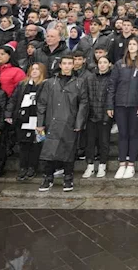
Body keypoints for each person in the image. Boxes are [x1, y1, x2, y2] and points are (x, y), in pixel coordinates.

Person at [36, 55, 89, 192]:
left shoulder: (79, 82)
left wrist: (79, 123)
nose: (66, 66)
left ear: (73, 65)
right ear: (60, 65)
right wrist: (40, 123)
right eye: (64, 63)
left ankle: (68, 177)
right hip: (51, 122)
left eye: (69, 63)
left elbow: (83, 103)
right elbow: (42, 103)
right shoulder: (50, 82)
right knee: (48, 150)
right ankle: (48, 178)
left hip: (69, 122)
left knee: (69, 151)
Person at [106, 38, 138, 179]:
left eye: (134, 44)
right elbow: (112, 85)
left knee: (133, 134)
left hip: (135, 105)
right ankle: (122, 163)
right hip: (120, 105)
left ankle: (131, 165)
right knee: (122, 134)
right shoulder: (119, 64)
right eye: (129, 44)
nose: (131, 46)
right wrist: (110, 105)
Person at [7, 63, 46, 181]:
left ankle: (32, 167)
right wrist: (8, 114)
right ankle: (23, 167)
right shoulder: (22, 84)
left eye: (37, 69)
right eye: (32, 69)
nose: (34, 71)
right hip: (23, 118)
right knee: (23, 144)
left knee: (36, 144)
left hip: (38, 120)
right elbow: (13, 100)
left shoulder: (45, 85)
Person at [82, 56, 112, 179]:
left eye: (105, 62)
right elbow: (86, 96)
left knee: (104, 142)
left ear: (109, 64)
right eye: (100, 62)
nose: (102, 65)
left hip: (105, 115)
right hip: (91, 115)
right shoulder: (90, 78)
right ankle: (89, 166)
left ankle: (102, 165)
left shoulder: (112, 78)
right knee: (90, 142)